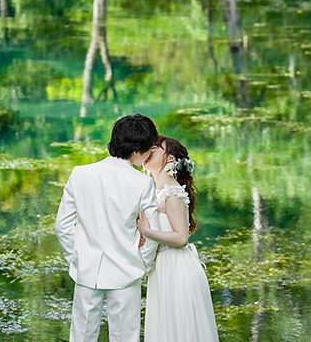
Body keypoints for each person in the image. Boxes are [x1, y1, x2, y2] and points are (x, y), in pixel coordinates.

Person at [55, 114, 162, 342]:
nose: (150, 154)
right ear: (136, 151)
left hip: (87, 269)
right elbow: (152, 232)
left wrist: (76, 258)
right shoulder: (143, 183)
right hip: (127, 270)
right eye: (148, 149)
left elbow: (62, 226)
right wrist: (143, 263)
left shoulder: (80, 173)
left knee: (81, 336)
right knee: (125, 337)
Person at [136, 135, 219, 342]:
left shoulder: (172, 193)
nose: (148, 151)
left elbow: (181, 237)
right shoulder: (156, 192)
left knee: (179, 328)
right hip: (162, 266)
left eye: (155, 148)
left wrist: (147, 231)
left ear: (170, 158)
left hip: (176, 267)